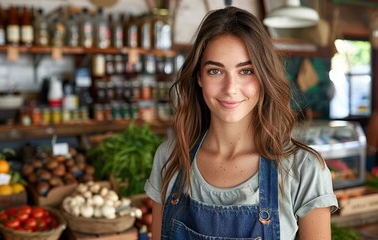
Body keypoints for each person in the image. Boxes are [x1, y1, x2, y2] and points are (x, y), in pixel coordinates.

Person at [144, 6, 338, 240]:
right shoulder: (170, 158)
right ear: (199, 77)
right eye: (215, 71)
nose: (230, 89)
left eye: (246, 71)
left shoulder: (304, 169)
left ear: (264, 77)